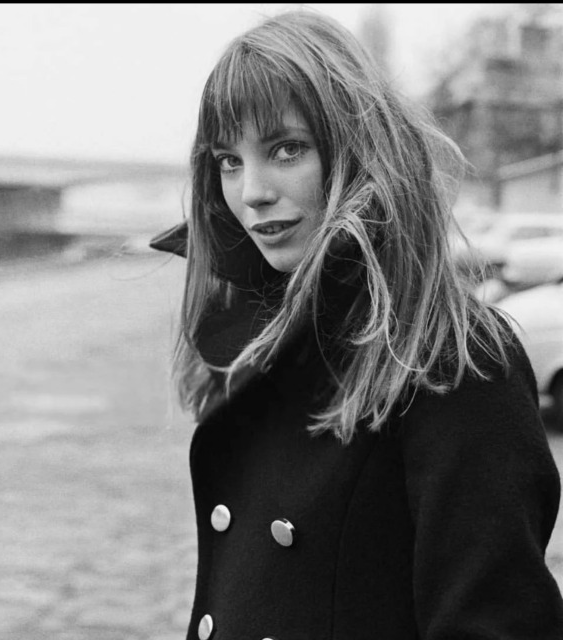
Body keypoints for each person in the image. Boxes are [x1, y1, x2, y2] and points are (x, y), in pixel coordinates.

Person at [150, 9, 563, 640]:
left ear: (359, 146)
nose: (252, 190)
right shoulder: (266, 339)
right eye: (228, 160)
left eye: (286, 149)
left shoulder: (451, 356)